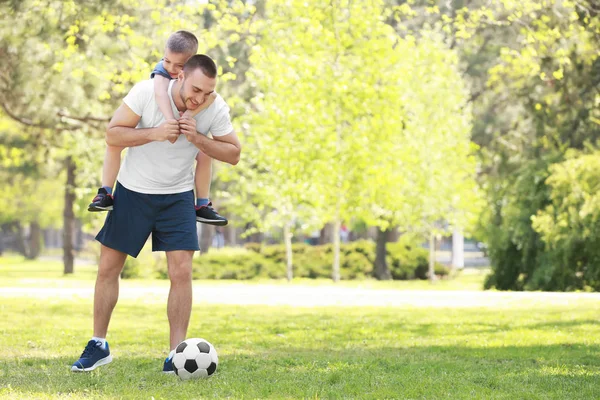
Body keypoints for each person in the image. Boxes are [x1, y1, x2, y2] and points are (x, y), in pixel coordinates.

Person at [71, 54, 241, 373]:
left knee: (181, 270)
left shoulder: (213, 109)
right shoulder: (146, 93)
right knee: (108, 266)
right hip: (133, 192)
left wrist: (198, 138)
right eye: (195, 89)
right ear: (179, 76)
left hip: (177, 198)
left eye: (207, 92)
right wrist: (154, 133)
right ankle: (98, 344)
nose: (199, 97)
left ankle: (175, 354)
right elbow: (112, 135)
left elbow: (233, 153)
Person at [88, 30, 228, 226]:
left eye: (178, 65)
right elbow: (161, 95)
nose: (170, 68)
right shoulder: (162, 75)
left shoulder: (197, 80)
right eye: (167, 60)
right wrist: (171, 123)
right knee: (115, 141)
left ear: (189, 65)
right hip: (152, 131)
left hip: (177, 184)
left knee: (204, 152)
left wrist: (188, 116)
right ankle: (105, 191)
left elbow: (211, 97)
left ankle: (202, 204)